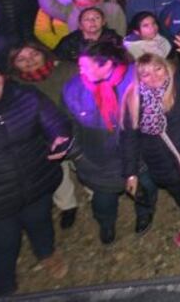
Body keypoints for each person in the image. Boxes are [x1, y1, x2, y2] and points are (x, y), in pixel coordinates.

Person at [0, 59, 72, 296]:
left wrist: (60, 137)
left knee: (41, 222)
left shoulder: (24, 96)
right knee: (3, 244)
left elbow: (56, 121)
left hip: (35, 180)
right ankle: (3, 287)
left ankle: (47, 254)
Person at [61, 42, 143, 244]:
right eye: (80, 66)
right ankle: (106, 223)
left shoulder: (137, 79)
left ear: (106, 65)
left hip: (138, 154)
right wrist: (78, 155)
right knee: (103, 200)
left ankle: (145, 213)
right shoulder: (73, 89)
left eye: (85, 66)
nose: (80, 71)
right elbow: (66, 124)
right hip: (99, 161)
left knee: (145, 189)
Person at [120, 54, 180, 248]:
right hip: (159, 157)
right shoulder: (133, 98)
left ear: (166, 67)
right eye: (145, 74)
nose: (154, 76)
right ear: (138, 78)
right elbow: (129, 138)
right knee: (177, 190)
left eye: (158, 69)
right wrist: (131, 173)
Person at [7, 41, 80, 227]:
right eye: (21, 59)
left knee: (84, 164)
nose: (30, 61)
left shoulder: (66, 69)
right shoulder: (14, 85)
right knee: (57, 171)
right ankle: (67, 205)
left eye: (34, 54)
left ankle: (95, 193)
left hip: (76, 127)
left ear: (43, 53)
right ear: (13, 64)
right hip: (42, 136)